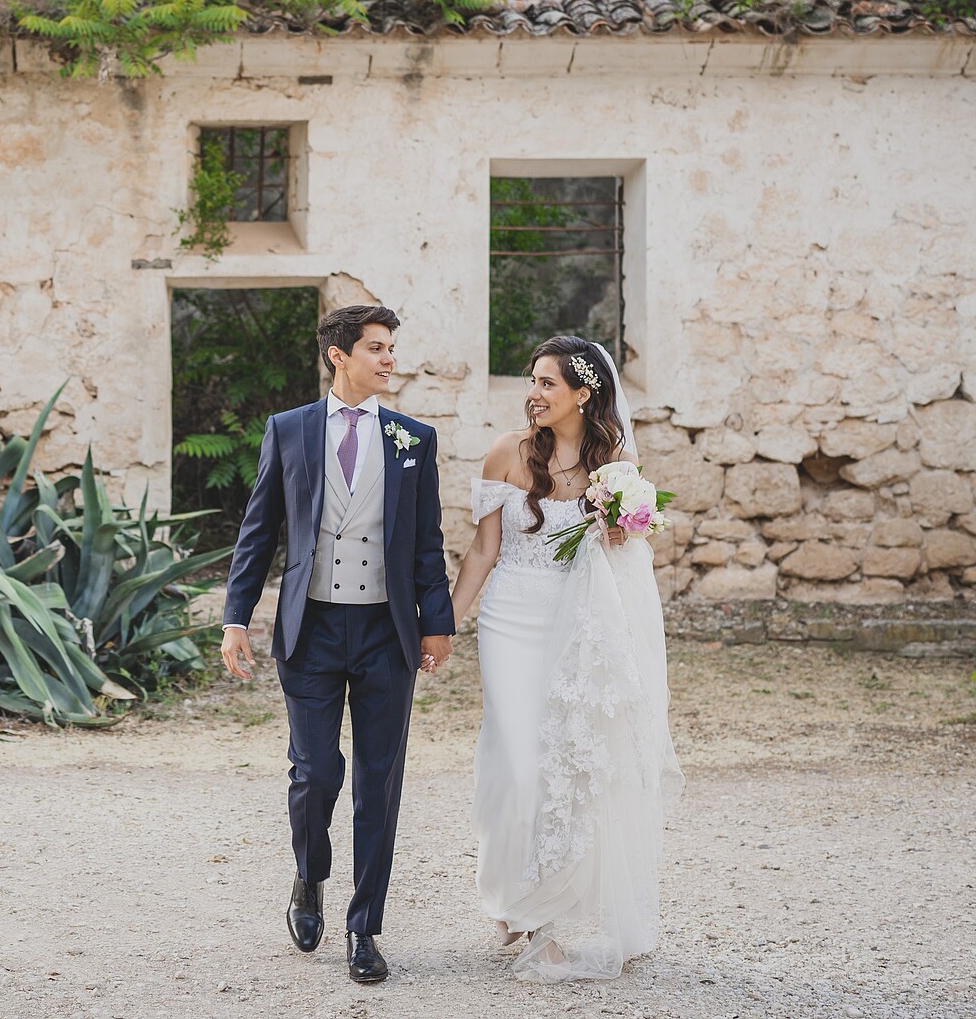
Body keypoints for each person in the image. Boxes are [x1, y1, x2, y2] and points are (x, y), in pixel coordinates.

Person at [218, 304, 455, 985]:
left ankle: (364, 928)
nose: (389, 359)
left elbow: (427, 546)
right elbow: (258, 532)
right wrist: (237, 617)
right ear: (338, 355)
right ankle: (309, 875)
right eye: (376, 348)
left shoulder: (414, 439)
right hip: (311, 629)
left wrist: (435, 622)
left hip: (387, 632)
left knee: (379, 785)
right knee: (316, 773)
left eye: (391, 348)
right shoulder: (288, 430)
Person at [448, 335, 682, 982]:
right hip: (509, 618)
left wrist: (617, 532)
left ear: (583, 394)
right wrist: (440, 626)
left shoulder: (617, 466)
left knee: (561, 770)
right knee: (519, 763)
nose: (534, 392)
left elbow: (627, 562)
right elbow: (481, 552)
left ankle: (533, 913)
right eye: (532, 380)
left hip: (575, 620)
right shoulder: (508, 453)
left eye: (548, 383)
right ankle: (515, 901)